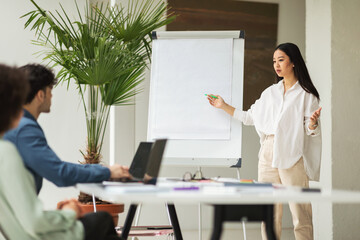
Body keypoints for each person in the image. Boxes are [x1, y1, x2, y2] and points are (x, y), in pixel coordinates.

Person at [207, 42, 321, 240]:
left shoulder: (306, 94)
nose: (276, 65)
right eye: (274, 61)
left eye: (281, 60)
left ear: (293, 62)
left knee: (300, 212)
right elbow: (249, 117)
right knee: (268, 213)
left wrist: (312, 124)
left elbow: (309, 129)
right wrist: (223, 105)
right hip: (268, 150)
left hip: (292, 153)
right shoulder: (270, 93)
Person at [0, 63, 122, 240]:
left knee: (102, 223)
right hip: (33, 233)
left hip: (22, 230)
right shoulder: (16, 140)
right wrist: (69, 212)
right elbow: (59, 173)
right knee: (102, 221)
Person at [4, 64, 130, 194]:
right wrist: (108, 172)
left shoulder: (14, 125)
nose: (52, 96)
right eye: (50, 90)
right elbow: (59, 173)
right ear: (40, 95)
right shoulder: (24, 129)